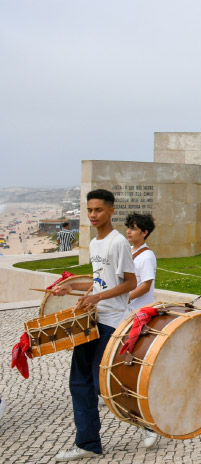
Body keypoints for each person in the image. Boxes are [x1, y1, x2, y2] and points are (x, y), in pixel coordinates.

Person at [52, 189, 136, 461]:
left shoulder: (118, 242)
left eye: (98, 210)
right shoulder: (95, 243)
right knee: (79, 383)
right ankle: (88, 443)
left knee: (106, 385)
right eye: (89, 210)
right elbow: (99, 280)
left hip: (112, 322)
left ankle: (148, 424)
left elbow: (129, 283)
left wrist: (98, 296)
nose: (92, 215)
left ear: (111, 211)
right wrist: (70, 287)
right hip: (92, 321)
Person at [123, 212, 159, 449]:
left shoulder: (146, 256)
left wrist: (123, 298)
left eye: (134, 228)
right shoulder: (130, 252)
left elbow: (144, 285)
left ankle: (149, 424)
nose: (129, 232)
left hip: (138, 314)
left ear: (144, 232)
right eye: (128, 228)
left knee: (134, 365)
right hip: (125, 313)